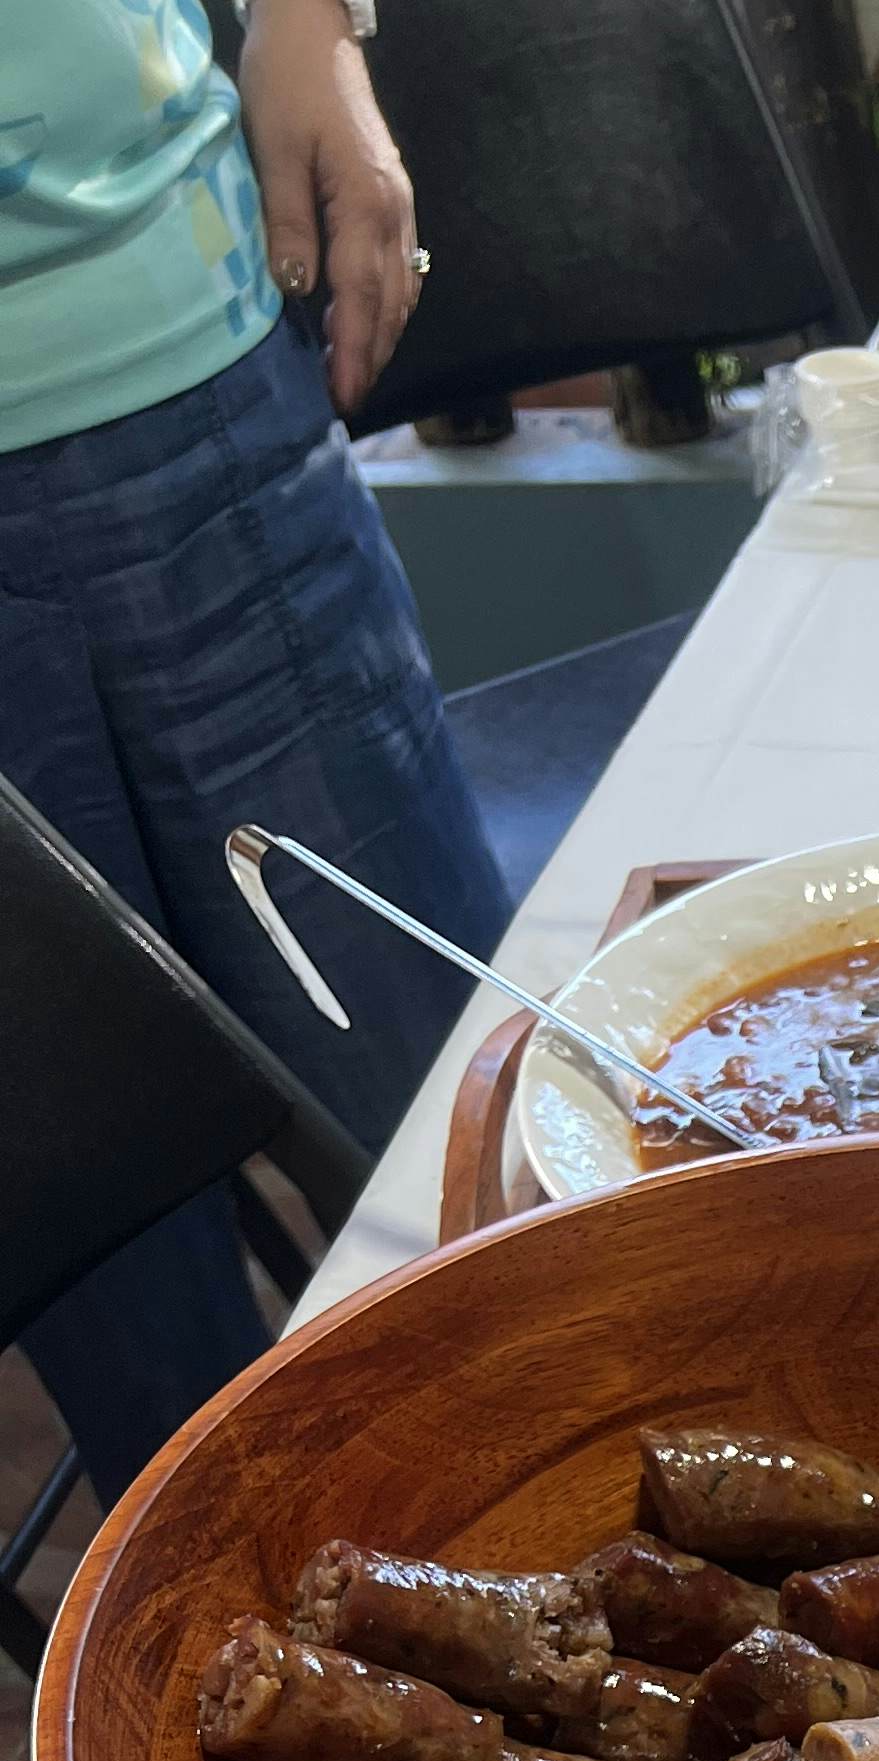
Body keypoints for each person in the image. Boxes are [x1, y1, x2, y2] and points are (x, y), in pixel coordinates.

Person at [0, 0, 505, 1506]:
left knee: (481, 1191)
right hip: (181, 366)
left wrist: (307, 19)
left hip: (176, 361)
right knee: (158, 1407)